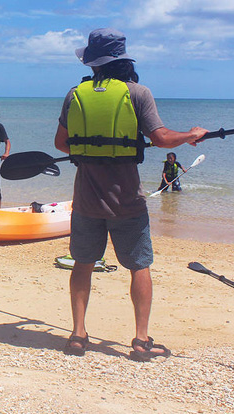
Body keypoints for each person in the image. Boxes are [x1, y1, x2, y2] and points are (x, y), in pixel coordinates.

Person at [53, 28, 208, 360]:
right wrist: (191, 135)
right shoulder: (138, 93)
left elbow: (61, 144)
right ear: (123, 59)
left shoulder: (74, 94)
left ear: (92, 62)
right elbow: (164, 138)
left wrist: (94, 147)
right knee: (139, 266)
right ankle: (139, 340)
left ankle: (78, 335)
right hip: (127, 201)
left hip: (86, 199)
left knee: (83, 263)